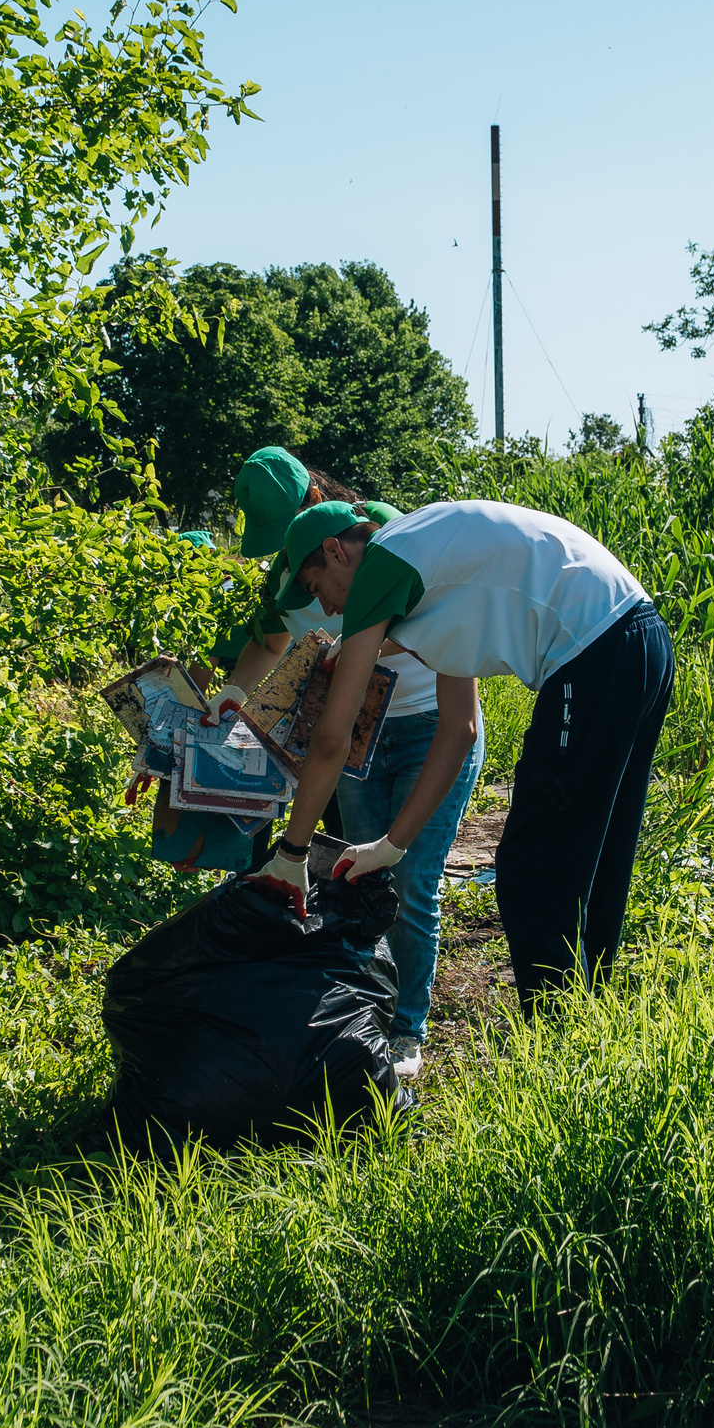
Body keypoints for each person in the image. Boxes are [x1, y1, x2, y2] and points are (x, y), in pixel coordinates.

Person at [251, 499, 671, 1006]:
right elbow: (460, 729)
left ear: (336, 552)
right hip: (638, 633)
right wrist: (391, 846)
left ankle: (559, 1025)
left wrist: (291, 855)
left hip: (592, 649)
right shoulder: (430, 568)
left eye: (318, 589)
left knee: (534, 867)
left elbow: (331, 739)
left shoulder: (382, 565)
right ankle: (591, 1014)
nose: (328, 611)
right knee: (597, 851)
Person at [209, 447, 480, 1079]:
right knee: (358, 877)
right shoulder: (293, 576)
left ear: (317, 511)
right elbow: (268, 642)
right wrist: (235, 690)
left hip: (428, 726)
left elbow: (429, 621)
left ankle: (407, 1028)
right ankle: (368, 1010)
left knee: (411, 881)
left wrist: (352, 648)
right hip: (359, 736)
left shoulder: (383, 536)